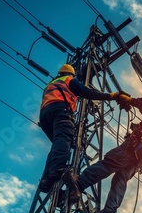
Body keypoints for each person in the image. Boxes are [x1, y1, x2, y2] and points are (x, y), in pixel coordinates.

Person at [38, 64, 119, 200]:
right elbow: (85, 92)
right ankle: (57, 169)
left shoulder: (51, 83)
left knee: (58, 144)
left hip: (45, 115)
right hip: (60, 109)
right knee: (64, 138)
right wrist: (109, 96)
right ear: (71, 74)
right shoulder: (69, 79)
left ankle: (46, 180)